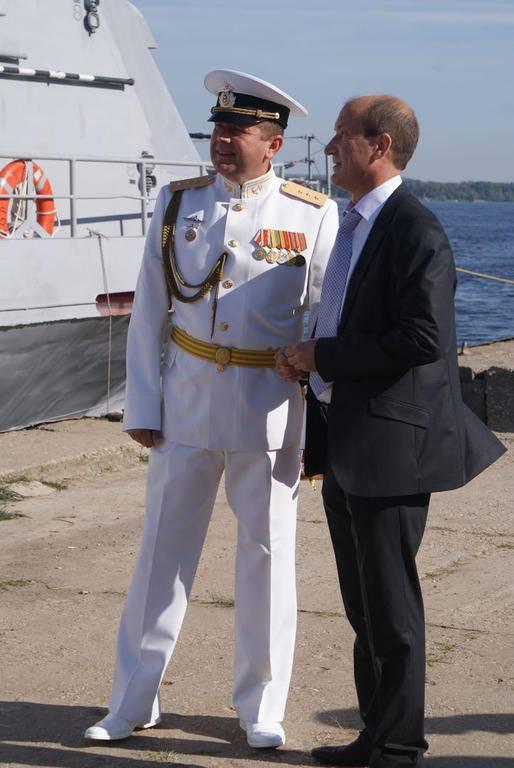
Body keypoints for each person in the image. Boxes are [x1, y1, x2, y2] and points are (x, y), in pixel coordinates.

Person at [84, 69, 338, 749]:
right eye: (219, 128)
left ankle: (261, 708)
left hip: (269, 408)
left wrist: (324, 414)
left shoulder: (312, 214)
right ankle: (131, 701)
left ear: (273, 144)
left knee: (267, 558)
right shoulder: (179, 204)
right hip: (188, 404)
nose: (223, 140)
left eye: (238, 130)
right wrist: (142, 404)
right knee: (160, 555)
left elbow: (326, 318)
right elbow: (149, 313)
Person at [276, 95, 505, 767]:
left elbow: (423, 337)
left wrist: (322, 355)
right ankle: (374, 735)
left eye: (340, 135)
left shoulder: (414, 230)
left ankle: (400, 749)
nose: (327, 148)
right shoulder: (355, 224)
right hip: (347, 440)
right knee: (363, 606)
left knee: (392, 608)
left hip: (390, 448)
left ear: (378, 146)